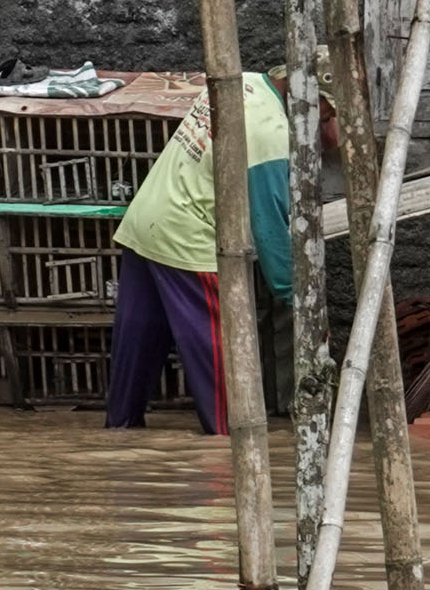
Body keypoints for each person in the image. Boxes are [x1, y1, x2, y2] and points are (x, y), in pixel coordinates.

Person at [106, 75, 291, 433]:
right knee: (224, 376)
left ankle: (118, 445)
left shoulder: (243, 81)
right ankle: (226, 456)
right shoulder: (270, 131)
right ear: (323, 107)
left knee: (135, 358)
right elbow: (269, 227)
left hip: (147, 219)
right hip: (188, 238)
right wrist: (294, 293)